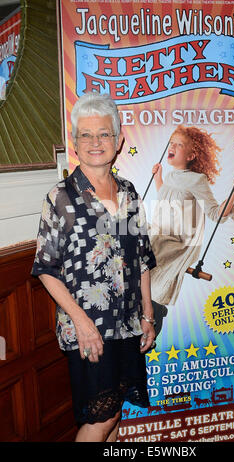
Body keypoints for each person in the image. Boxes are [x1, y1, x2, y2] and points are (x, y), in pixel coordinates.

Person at [31, 92, 156, 442]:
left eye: (103, 134)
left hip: (129, 325)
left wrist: (147, 313)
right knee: (101, 418)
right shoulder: (61, 197)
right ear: (75, 141)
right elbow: (45, 268)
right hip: (90, 330)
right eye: (86, 134)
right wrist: (81, 323)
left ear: (118, 141)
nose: (95, 142)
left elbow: (142, 259)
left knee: (115, 413)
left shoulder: (130, 193)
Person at [149, 125, 234, 308]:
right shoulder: (170, 176)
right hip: (162, 231)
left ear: (191, 156)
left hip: (179, 240)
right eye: (171, 143)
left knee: (145, 242)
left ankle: (150, 303)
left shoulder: (197, 180)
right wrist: (158, 178)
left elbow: (215, 213)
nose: (172, 147)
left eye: (179, 145)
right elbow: (166, 198)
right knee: (136, 232)